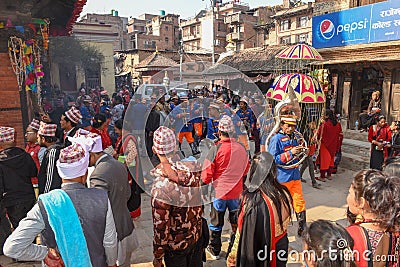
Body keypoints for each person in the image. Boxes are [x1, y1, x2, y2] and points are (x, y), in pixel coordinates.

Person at [3, 142, 118, 267]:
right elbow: (110, 242)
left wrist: (43, 253)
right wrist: (112, 263)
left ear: (60, 173)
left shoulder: (46, 203)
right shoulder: (101, 198)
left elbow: (12, 247)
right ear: (84, 175)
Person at [227, 152, 292, 267]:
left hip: (259, 248)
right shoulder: (284, 193)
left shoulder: (251, 200)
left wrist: (233, 254)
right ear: (273, 171)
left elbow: (241, 231)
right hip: (280, 246)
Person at [150, 126, 203, 267]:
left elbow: (161, 228)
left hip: (176, 247)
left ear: (154, 149)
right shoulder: (195, 168)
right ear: (175, 148)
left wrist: (158, 256)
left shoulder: (161, 187)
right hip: (196, 236)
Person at [202, 115, 250, 260]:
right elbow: (246, 169)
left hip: (220, 194)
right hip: (237, 193)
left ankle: (215, 250)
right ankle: (232, 249)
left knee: (216, 222)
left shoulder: (215, 149)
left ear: (219, 131)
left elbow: (206, 175)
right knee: (235, 223)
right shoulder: (242, 148)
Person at [88, 133, 137, 267]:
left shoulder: (98, 174)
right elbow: (127, 194)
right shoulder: (117, 163)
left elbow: (99, 211)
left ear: (92, 154)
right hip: (126, 225)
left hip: (114, 234)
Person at [346, 169, 400, 267]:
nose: (348, 197)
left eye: (350, 193)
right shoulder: (391, 231)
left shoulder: (350, 235)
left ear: (361, 202)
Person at [268, 115, 307, 236]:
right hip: (282, 177)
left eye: (293, 126)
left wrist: (301, 151)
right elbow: (272, 159)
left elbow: (296, 154)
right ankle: (279, 228)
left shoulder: (295, 137)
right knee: (281, 203)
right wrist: (290, 153)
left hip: (295, 175)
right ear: (281, 125)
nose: (291, 128)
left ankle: (302, 227)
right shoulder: (276, 139)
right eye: (288, 125)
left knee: (299, 201)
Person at [0, 127, 37, 252]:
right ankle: (30, 250)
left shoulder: (1, 161)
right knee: (29, 224)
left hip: (11, 198)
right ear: (14, 139)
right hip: (28, 195)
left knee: (18, 226)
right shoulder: (24, 155)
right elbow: (33, 172)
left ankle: (20, 252)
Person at [113, 119, 145, 219]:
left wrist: (122, 162)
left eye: (116, 130)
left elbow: (132, 154)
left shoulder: (129, 139)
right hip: (126, 168)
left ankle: (133, 213)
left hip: (131, 170)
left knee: (132, 192)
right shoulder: (124, 137)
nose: (115, 132)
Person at [37, 122, 63, 195]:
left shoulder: (53, 152)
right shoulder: (51, 150)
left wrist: (45, 196)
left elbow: (50, 178)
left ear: (43, 139)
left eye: (38, 137)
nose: (37, 139)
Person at [317, 109, 343, 180]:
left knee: (324, 160)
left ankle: (322, 176)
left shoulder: (324, 124)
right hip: (334, 144)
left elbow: (319, 134)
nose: (322, 116)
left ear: (327, 115)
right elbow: (340, 135)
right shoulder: (338, 124)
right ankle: (329, 175)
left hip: (325, 144)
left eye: (323, 114)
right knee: (331, 160)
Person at [25, 119, 46, 188]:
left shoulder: (41, 148)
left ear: (36, 133)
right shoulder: (28, 146)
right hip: (30, 182)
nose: (26, 135)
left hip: (38, 183)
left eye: (28, 132)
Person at [300, 121, 321, 188]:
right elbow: (309, 142)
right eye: (312, 123)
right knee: (311, 165)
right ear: (308, 124)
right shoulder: (306, 132)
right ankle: (313, 182)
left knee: (305, 164)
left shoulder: (313, 131)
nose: (313, 125)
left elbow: (315, 141)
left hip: (311, 150)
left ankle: (299, 176)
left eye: (314, 123)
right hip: (307, 150)